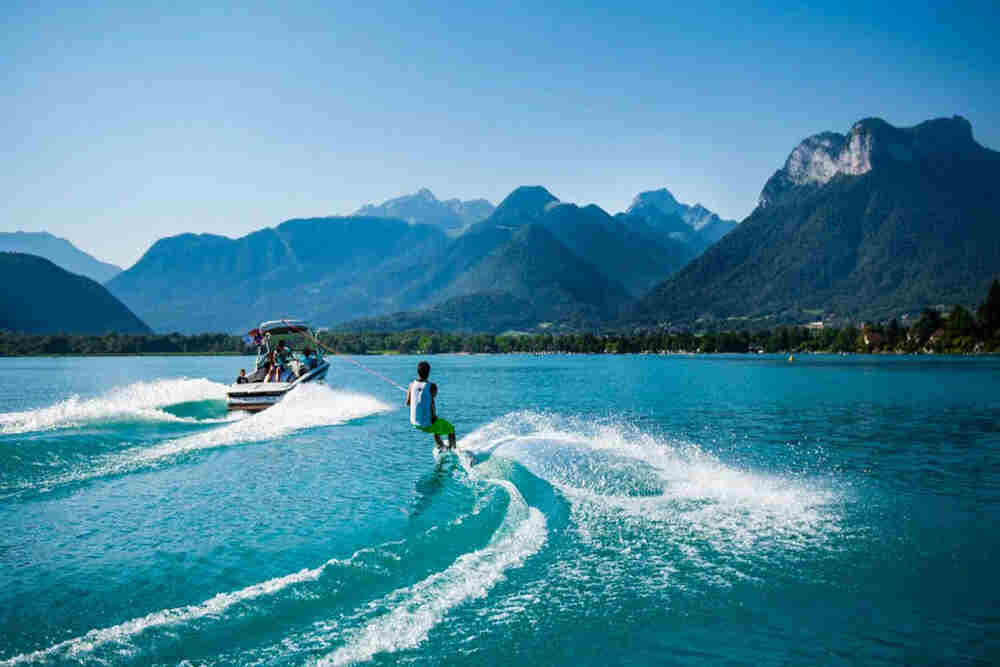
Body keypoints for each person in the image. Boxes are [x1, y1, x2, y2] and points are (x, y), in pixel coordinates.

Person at [406, 360, 457, 450]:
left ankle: (440, 444)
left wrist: (412, 393)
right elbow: (433, 397)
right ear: (429, 372)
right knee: (451, 429)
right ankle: (453, 449)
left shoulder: (411, 384)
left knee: (435, 420)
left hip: (414, 422)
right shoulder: (432, 386)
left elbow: (408, 403)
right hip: (427, 424)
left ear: (417, 372)